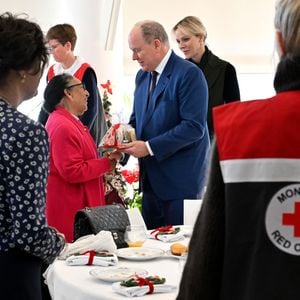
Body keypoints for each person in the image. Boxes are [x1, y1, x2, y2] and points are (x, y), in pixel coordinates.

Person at [177, 0, 300, 299]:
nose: (181, 45)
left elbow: (204, 269)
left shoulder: (238, 130)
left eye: (185, 39)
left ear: (280, 42)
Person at [120, 20, 210, 229]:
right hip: (151, 183)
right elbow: (136, 120)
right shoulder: (142, 77)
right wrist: (120, 146)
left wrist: (149, 148)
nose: (133, 57)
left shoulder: (189, 74)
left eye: (137, 50)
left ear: (157, 44)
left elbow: (194, 127)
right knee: (151, 248)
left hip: (181, 183)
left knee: (179, 252)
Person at [0, 12, 65, 300]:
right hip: (10, 271)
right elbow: (29, 233)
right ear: (25, 69)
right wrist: (61, 243)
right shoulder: (25, 132)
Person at [43, 74, 121, 243]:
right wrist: (106, 163)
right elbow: (72, 170)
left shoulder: (68, 121)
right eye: (82, 87)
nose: (87, 93)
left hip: (79, 206)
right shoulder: (62, 125)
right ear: (68, 93)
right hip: (72, 211)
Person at [172, 16, 240, 141]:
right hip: (184, 144)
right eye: (178, 41)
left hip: (215, 143)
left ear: (201, 38)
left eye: (185, 39)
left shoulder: (226, 69)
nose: (181, 45)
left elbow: (234, 113)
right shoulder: (177, 72)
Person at [38, 23, 107, 146]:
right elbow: (48, 103)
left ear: (68, 45)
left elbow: (91, 109)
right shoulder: (52, 72)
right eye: (49, 48)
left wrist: (81, 134)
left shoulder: (85, 70)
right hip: (58, 128)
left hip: (78, 130)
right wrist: (40, 129)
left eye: (54, 47)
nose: (51, 52)